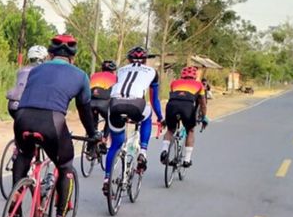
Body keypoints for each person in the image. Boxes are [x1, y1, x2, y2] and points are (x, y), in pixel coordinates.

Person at [13, 34, 101, 217]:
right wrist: (92, 134)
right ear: (73, 58)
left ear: (50, 55)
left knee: (24, 155)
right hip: (52, 122)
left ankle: (15, 203)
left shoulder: (36, 70)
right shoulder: (81, 76)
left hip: (22, 117)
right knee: (65, 165)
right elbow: (85, 111)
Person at [102, 46, 164, 196]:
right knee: (148, 114)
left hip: (115, 104)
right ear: (145, 60)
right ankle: (143, 152)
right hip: (136, 104)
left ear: (129, 60)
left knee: (115, 145)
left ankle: (107, 179)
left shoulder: (121, 70)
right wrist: (161, 117)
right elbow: (154, 100)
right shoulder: (152, 72)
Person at [160, 66, 208, 167]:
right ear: (194, 76)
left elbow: (173, 98)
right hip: (187, 107)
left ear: (182, 75)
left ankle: (164, 150)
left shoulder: (174, 83)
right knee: (190, 131)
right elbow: (203, 104)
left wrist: (166, 119)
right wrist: (204, 117)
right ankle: (187, 159)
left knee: (170, 130)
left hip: (171, 107)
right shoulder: (199, 85)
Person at [6, 45, 48, 119]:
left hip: (12, 105)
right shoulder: (41, 71)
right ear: (42, 59)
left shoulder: (21, 70)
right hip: (26, 106)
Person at [89, 60, 117, 147]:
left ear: (102, 69)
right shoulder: (115, 78)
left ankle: (90, 143)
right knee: (110, 119)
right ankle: (104, 140)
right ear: (113, 71)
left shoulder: (93, 76)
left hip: (90, 103)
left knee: (93, 122)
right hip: (104, 104)